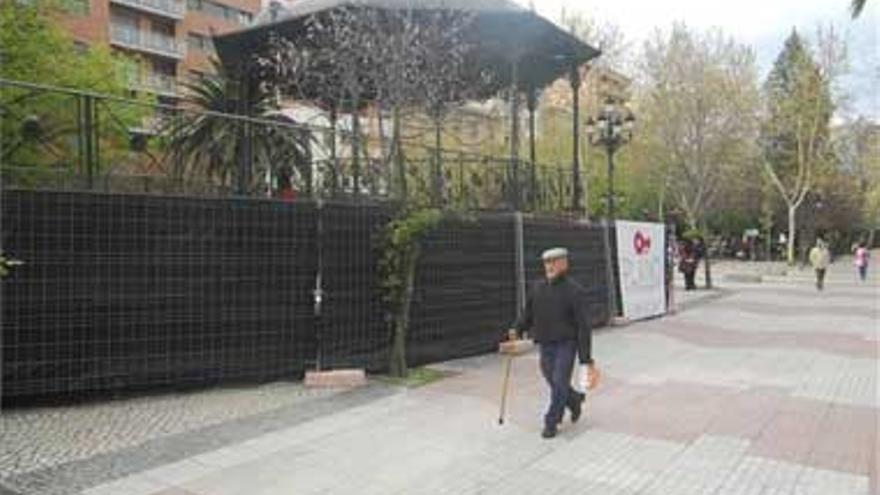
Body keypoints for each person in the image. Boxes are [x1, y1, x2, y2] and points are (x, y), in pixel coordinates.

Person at [506, 247, 597, 439]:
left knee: (559, 381)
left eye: (555, 262)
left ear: (564, 263)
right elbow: (527, 314)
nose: (550, 266)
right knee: (553, 381)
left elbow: (583, 326)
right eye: (547, 262)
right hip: (546, 344)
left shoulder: (574, 291)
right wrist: (517, 328)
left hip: (567, 344)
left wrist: (585, 357)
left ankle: (551, 421)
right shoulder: (537, 288)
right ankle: (573, 400)